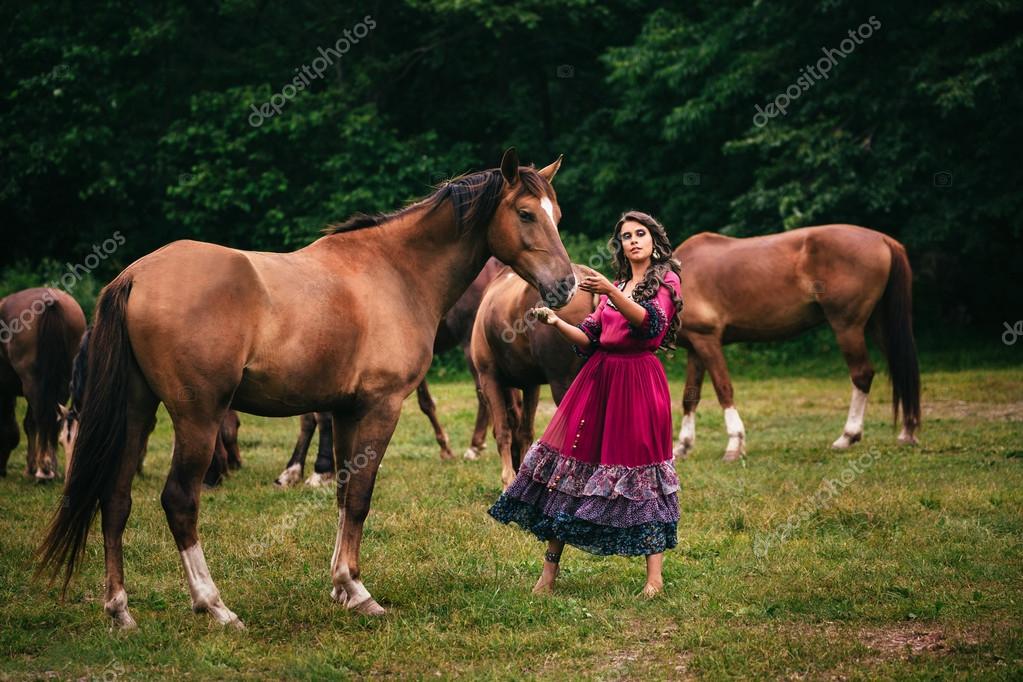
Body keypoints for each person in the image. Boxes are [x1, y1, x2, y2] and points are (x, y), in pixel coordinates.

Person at [488, 210, 684, 597]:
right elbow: (590, 337)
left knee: (643, 472)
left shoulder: (666, 281)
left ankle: (654, 579)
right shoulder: (618, 286)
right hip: (598, 380)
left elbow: (651, 325)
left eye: (640, 234)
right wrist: (556, 322)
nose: (633, 241)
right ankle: (548, 574)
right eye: (626, 236)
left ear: (654, 241)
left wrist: (610, 291)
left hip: (638, 381)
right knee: (570, 468)